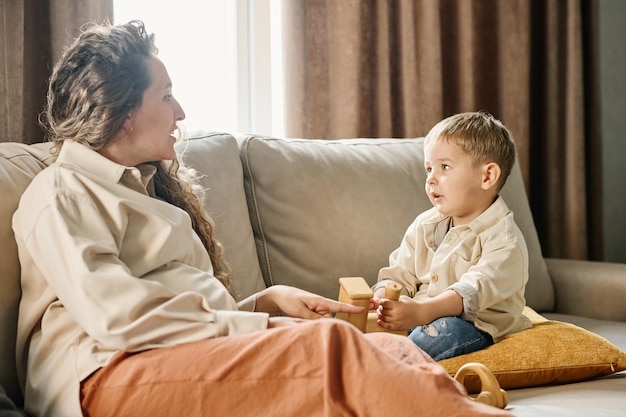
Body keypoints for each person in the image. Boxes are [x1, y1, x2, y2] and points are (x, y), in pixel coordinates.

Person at [12, 21, 511, 417]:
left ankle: (446, 404)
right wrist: (261, 323)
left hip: (165, 357)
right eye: (165, 95)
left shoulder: (145, 193)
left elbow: (180, 311)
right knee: (335, 348)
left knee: (385, 348)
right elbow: (120, 318)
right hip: (105, 378)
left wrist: (264, 301)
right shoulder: (62, 191)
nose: (180, 110)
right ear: (123, 111)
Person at [371, 112, 532, 361]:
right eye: (428, 169)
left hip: (473, 323)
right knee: (349, 320)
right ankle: (362, 354)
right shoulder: (424, 224)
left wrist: (421, 312)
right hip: (418, 313)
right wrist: (382, 300)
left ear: (487, 176)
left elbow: (470, 292)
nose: (431, 179)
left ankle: (389, 364)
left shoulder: (505, 241)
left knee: (443, 333)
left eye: (444, 167)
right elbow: (399, 274)